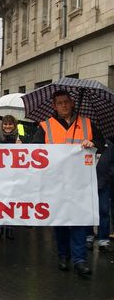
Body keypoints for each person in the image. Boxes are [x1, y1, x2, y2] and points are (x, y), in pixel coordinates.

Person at [32, 89, 104, 278]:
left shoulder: (87, 124)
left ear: (72, 103)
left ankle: (79, 260)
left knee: (79, 221)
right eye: (60, 103)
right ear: (54, 106)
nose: (63, 105)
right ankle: (63, 255)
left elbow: (101, 143)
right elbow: (35, 150)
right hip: (55, 182)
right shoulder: (45, 126)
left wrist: (92, 142)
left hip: (80, 183)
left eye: (66, 102)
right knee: (61, 221)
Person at [0, 115, 21, 240]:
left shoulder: (20, 138)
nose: (7, 126)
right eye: (5, 124)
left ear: (14, 126)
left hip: (14, 175)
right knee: (0, 201)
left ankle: (10, 227)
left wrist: (21, 146)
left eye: (10, 124)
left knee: (12, 201)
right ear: (2, 125)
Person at [85, 139, 114, 252]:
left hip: (104, 183)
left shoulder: (109, 145)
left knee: (104, 211)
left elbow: (112, 163)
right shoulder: (86, 143)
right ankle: (89, 238)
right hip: (87, 184)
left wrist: (109, 176)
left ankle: (104, 240)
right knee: (88, 211)